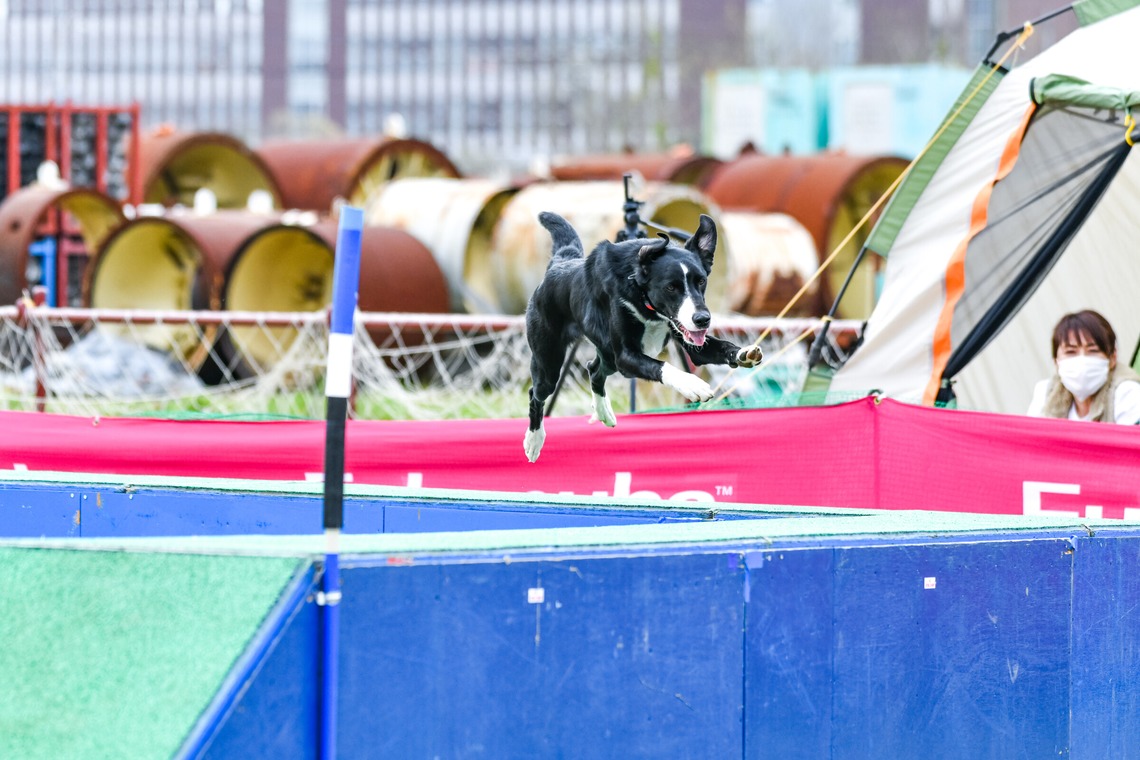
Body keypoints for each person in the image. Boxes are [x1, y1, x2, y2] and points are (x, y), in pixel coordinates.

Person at [1027, 310, 1140, 424]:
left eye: (1093, 351)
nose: (1082, 360)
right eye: (1071, 352)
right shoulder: (1046, 393)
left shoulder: (1127, 392)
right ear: (1056, 361)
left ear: (1112, 358)